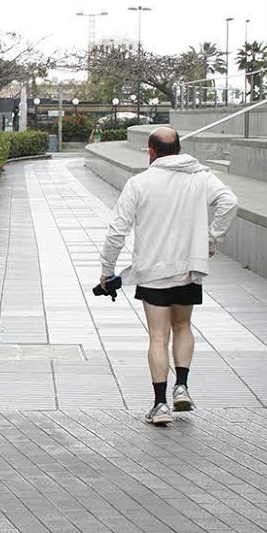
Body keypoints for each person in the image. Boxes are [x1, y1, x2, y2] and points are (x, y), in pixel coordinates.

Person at [99, 127, 237, 426]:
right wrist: (210, 242)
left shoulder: (139, 183)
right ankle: (182, 386)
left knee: (158, 336)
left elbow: (117, 231)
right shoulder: (201, 176)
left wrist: (107, 270)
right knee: (183, 326)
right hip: (188, 269)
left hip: (152, 272)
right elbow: (229, 202)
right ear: (177, 148)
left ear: (151, 151)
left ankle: (160, 405)